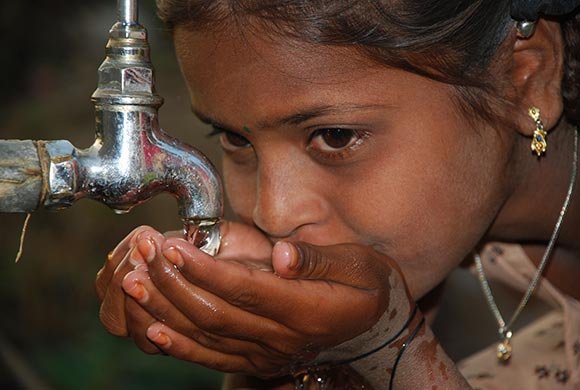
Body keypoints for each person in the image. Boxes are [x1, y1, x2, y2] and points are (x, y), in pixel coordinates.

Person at [95, 0, 580, 388]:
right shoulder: (446, 262)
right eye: (235, 139)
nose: (273, 213)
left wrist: (387, 351)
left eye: (336, 137)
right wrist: (267, 355)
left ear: (526, 77)